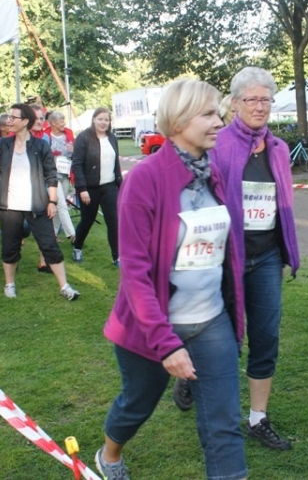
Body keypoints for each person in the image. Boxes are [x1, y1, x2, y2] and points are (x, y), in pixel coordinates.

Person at [95, 79, 247, 480]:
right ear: (178, 121)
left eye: (218, 113)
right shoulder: (145, 178)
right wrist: (166, 343)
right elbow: (134, 271)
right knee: (137, 404)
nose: (220, 121)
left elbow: (226, 252)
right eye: (209, 114)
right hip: (151, 327)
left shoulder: (214, 172)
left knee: (224, 423)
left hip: (211, 320)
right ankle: (110, 454)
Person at [211, 66, 300, 451]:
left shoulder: (278, 149)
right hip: (225, 257)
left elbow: (284, 204)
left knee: (266, 336)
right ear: (235, 103)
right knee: (221, 338)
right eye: (252, 99)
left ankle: (257, 418)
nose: (260, 106)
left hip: (266, 257)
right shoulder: (218, 144)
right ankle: (197, 387)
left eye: (266, 99)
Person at [0, 104, 80, 300]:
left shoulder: (40, 145)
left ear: (25, 121)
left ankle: (65, 286)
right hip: (10, 207)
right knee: (10, 247)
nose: (9, 120)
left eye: (13, 117)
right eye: (9, 117)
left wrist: (52, 201)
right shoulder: (4, 145)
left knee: (49, 245)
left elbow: (51, 175)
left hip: (36, 204)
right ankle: (9, 284)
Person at [71, 107, 122, 266]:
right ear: (94, 119)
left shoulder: (112, 138)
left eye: (106, 120)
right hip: (89, 188)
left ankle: (117, 257)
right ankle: (77, 246)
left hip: (110, 187)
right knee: (87, 220)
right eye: (100, 119)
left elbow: (116, 163)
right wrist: (82, 188)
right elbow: (77, 164)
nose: (103, 122)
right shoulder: (83, 137)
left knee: (113, 221)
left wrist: (120, 185)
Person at [37, 111, 76, 273]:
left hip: (65, 174)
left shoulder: (68, 134)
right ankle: (73, 235)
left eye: (64, 120)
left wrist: (72, 150)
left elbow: (74, 155)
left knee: (60, 207)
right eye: (61, 121)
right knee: (61, 205)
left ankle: (51, 236)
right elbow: (43, 155)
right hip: (52, 176)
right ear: (52, 123)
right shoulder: (46, 136)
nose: (63, 123)